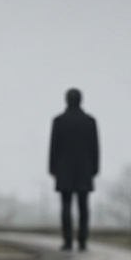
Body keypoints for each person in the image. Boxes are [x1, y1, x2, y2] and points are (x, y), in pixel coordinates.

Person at [48, 88, 99, 251]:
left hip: (64, 169)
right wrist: (95, 168)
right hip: (84, 168)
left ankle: (68, 241)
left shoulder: (59, 121)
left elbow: (54, 146)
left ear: (66, 100)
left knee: (66, 205)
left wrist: (52, 168)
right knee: (83, 206)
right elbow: (95, 147)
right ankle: (82, 241)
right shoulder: (89, 121)